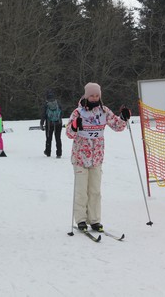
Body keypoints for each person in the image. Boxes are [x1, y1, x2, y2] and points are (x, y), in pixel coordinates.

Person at [66, 82, 131, 232]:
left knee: (95, 191)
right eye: (92, 95)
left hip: (97, 157)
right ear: (86, 96)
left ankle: (94, 220)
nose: (94, 98)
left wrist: (123, 117)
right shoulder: (78, 112)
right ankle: (81, 219)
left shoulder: (104, 111)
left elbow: (117, 126)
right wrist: (75, 125)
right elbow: (69, 133)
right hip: (80, 157)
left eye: (97, 95)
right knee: (81, 190)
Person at [40, 89, 62, 158]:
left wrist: (42, 123)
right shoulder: (57, 103)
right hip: (58, 123)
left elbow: (43, 114)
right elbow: (61, 112)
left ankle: (48, 152)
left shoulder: (46, 104)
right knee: (58, 138)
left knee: (49, 138)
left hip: (49, 124)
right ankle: (59, 153)